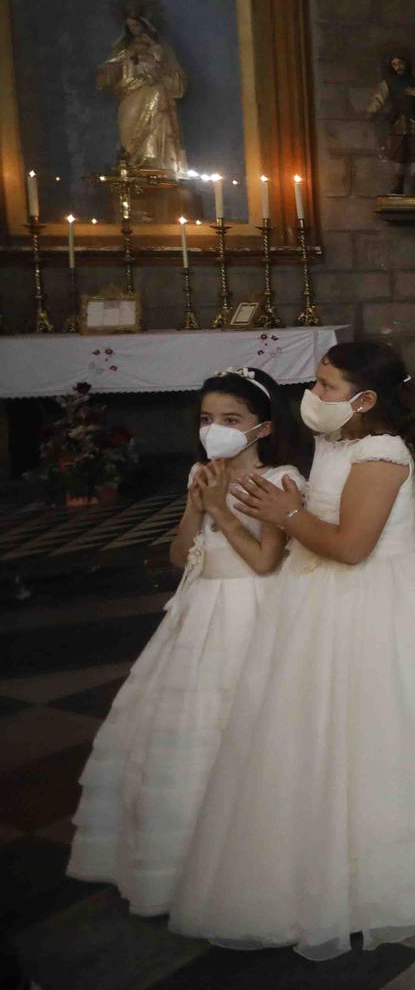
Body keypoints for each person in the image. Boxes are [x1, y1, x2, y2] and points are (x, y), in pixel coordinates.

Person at [177, 342, 415, 958]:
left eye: (327, 386)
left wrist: (290, 510)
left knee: (384, 730)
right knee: (318, 732)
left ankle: (397, 857)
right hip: (321, 602)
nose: (314, 396)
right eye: (316, 383)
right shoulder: (338, 443)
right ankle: (319, 853)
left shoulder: (382, 453)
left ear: (365, 400)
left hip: (376, 603)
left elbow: (353, 546)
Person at [69, 367, 305, 917]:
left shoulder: (281, 479)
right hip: (201, 609)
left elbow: (267, 562)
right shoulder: (202, 471)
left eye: (231, 420)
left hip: (256, 610)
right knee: (190, 726)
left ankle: (258, 858)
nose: (214, 429)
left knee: (254, 725)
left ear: (263, 429)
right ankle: (184, 854)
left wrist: (222, 509)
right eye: (206, 419)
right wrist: (198, 508)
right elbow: (181, 555)